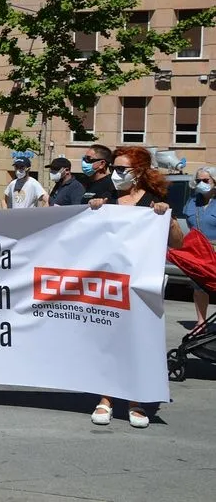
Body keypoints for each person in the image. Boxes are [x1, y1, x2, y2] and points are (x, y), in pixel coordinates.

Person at [88, 146, 183, 429]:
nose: (116, 175)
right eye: (115, 168)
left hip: (140, 285)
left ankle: (135, 400)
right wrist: (93, 210)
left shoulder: (154, 201)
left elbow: (177, 241)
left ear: (138, 172)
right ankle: (105, 398)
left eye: (121, 169)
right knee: (107, 340)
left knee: (137, 342)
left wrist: (166, 217)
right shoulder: (106, 197)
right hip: (108, 283)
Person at [183, 166, 216, 330]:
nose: (201, 183)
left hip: (215, 249)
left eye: (205, 180)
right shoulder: (192, 201)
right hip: (198, 251)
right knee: (199, 288)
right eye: (198, 180)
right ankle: (201, 321)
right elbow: (189, 223)